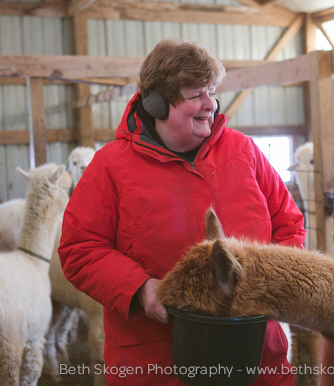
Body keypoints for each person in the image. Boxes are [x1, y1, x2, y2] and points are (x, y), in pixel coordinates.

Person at [59, 39, 306, 386]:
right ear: (157, 103)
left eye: (211, 91)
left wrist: (274, 282)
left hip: (254, 353)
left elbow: (289, 223)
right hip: (157, 362)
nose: (211, 105)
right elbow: (79, 248)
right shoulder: (111, 167)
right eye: (195, 96)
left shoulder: (243, 151)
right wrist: (141, 289)